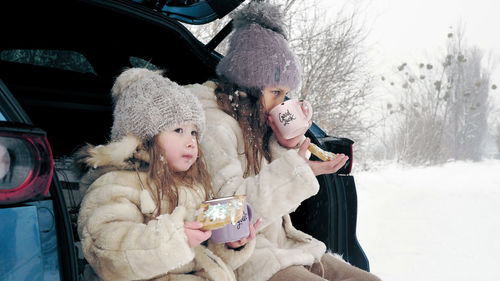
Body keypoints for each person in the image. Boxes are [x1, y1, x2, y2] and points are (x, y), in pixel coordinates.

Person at [185, 2, 382, 281]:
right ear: (248, 85)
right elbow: (231, 214)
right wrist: (295, 171)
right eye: (276, 92)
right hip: (244, 256)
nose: (281, 103)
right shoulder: (216, 126)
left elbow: (280, 207)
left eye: (285, 94)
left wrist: (285, 149)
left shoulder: (255, 123)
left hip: (282, 245)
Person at [75, 68, 252, 281]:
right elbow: (105, 249)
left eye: (194, 132)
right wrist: (173, 239)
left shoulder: (194, 185)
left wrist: (229, 243)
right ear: (144, 137)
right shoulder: (116, 183)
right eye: (178, 130)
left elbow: (205, 254)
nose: (191, 142)